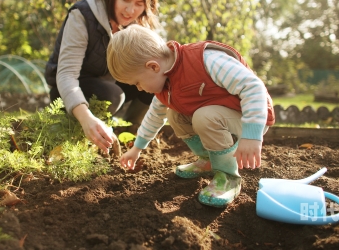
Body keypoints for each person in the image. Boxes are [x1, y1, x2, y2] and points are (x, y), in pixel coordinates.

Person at [106, 24, 275, 208]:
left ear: (153, 67)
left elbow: (253, 87)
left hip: (251, 117)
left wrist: (252, 135)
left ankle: (228, 177)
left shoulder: (206, 60)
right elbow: (154, 117)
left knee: (204, 116)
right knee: (175, 116)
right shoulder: (164, 85)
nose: (139, 88)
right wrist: (136, 149)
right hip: (219, 117)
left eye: (137, 82)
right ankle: (210, 161)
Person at [45, 0, 159, 155]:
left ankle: (132, 133)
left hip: (110, 82)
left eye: (139, 4)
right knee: (112, 95)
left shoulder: (137, 23)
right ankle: (89, 135)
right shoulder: (82, 15)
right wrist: (86, 118)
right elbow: (66, 75)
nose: (130, 10)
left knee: (153, 81)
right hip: (70, 90)